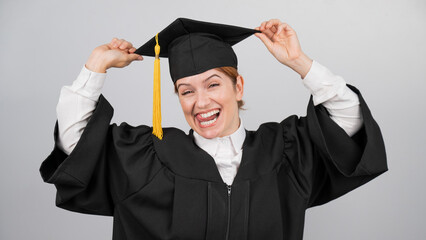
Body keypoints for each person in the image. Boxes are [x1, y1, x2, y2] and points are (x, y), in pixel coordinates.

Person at [40, 18, 387, 240]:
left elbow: (348, 122)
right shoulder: (145, 157)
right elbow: (74, 146)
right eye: (186, 91)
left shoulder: (285, 152)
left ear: (238, 88)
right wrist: (95, 67)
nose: (200, 102)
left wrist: (299, 63)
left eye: (213, 85)